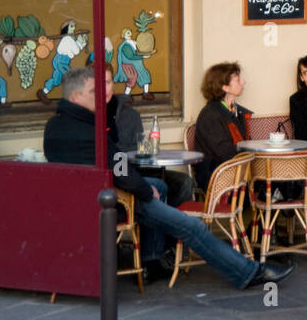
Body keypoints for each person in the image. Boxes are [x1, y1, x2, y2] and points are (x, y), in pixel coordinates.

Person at [44, 65, 289, 289]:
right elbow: (119, 169)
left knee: (160, 184)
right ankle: (247, 272)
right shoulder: (91, 130)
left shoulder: (54, 127)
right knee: (191, 225)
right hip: (115, 201)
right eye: (92, 91)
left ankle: (153, 257)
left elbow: (106, 166)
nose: (100, 95)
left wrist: (143, 186)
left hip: (87, 199)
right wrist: (143, 190)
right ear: (76, 98)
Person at [106, 65, 194, 207]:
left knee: (184, 182)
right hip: (115, 175)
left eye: (107, 82)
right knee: (158, 185)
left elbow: (139, 148)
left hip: (135, 169)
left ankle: (168, 223)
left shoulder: (131, 115)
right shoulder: (88, 116)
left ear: (113, 84)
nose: (104, 88)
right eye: (98, 83)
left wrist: (145, 152)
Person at [192, 62, 251, 190]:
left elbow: (245, 144)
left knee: (275, 174)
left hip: (237, 169)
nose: (243, 82)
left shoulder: (236, 111)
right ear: (225, 87)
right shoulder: (210, 115)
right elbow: (224, 153)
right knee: (269, 178)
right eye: (238, 79)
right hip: (216, 175)